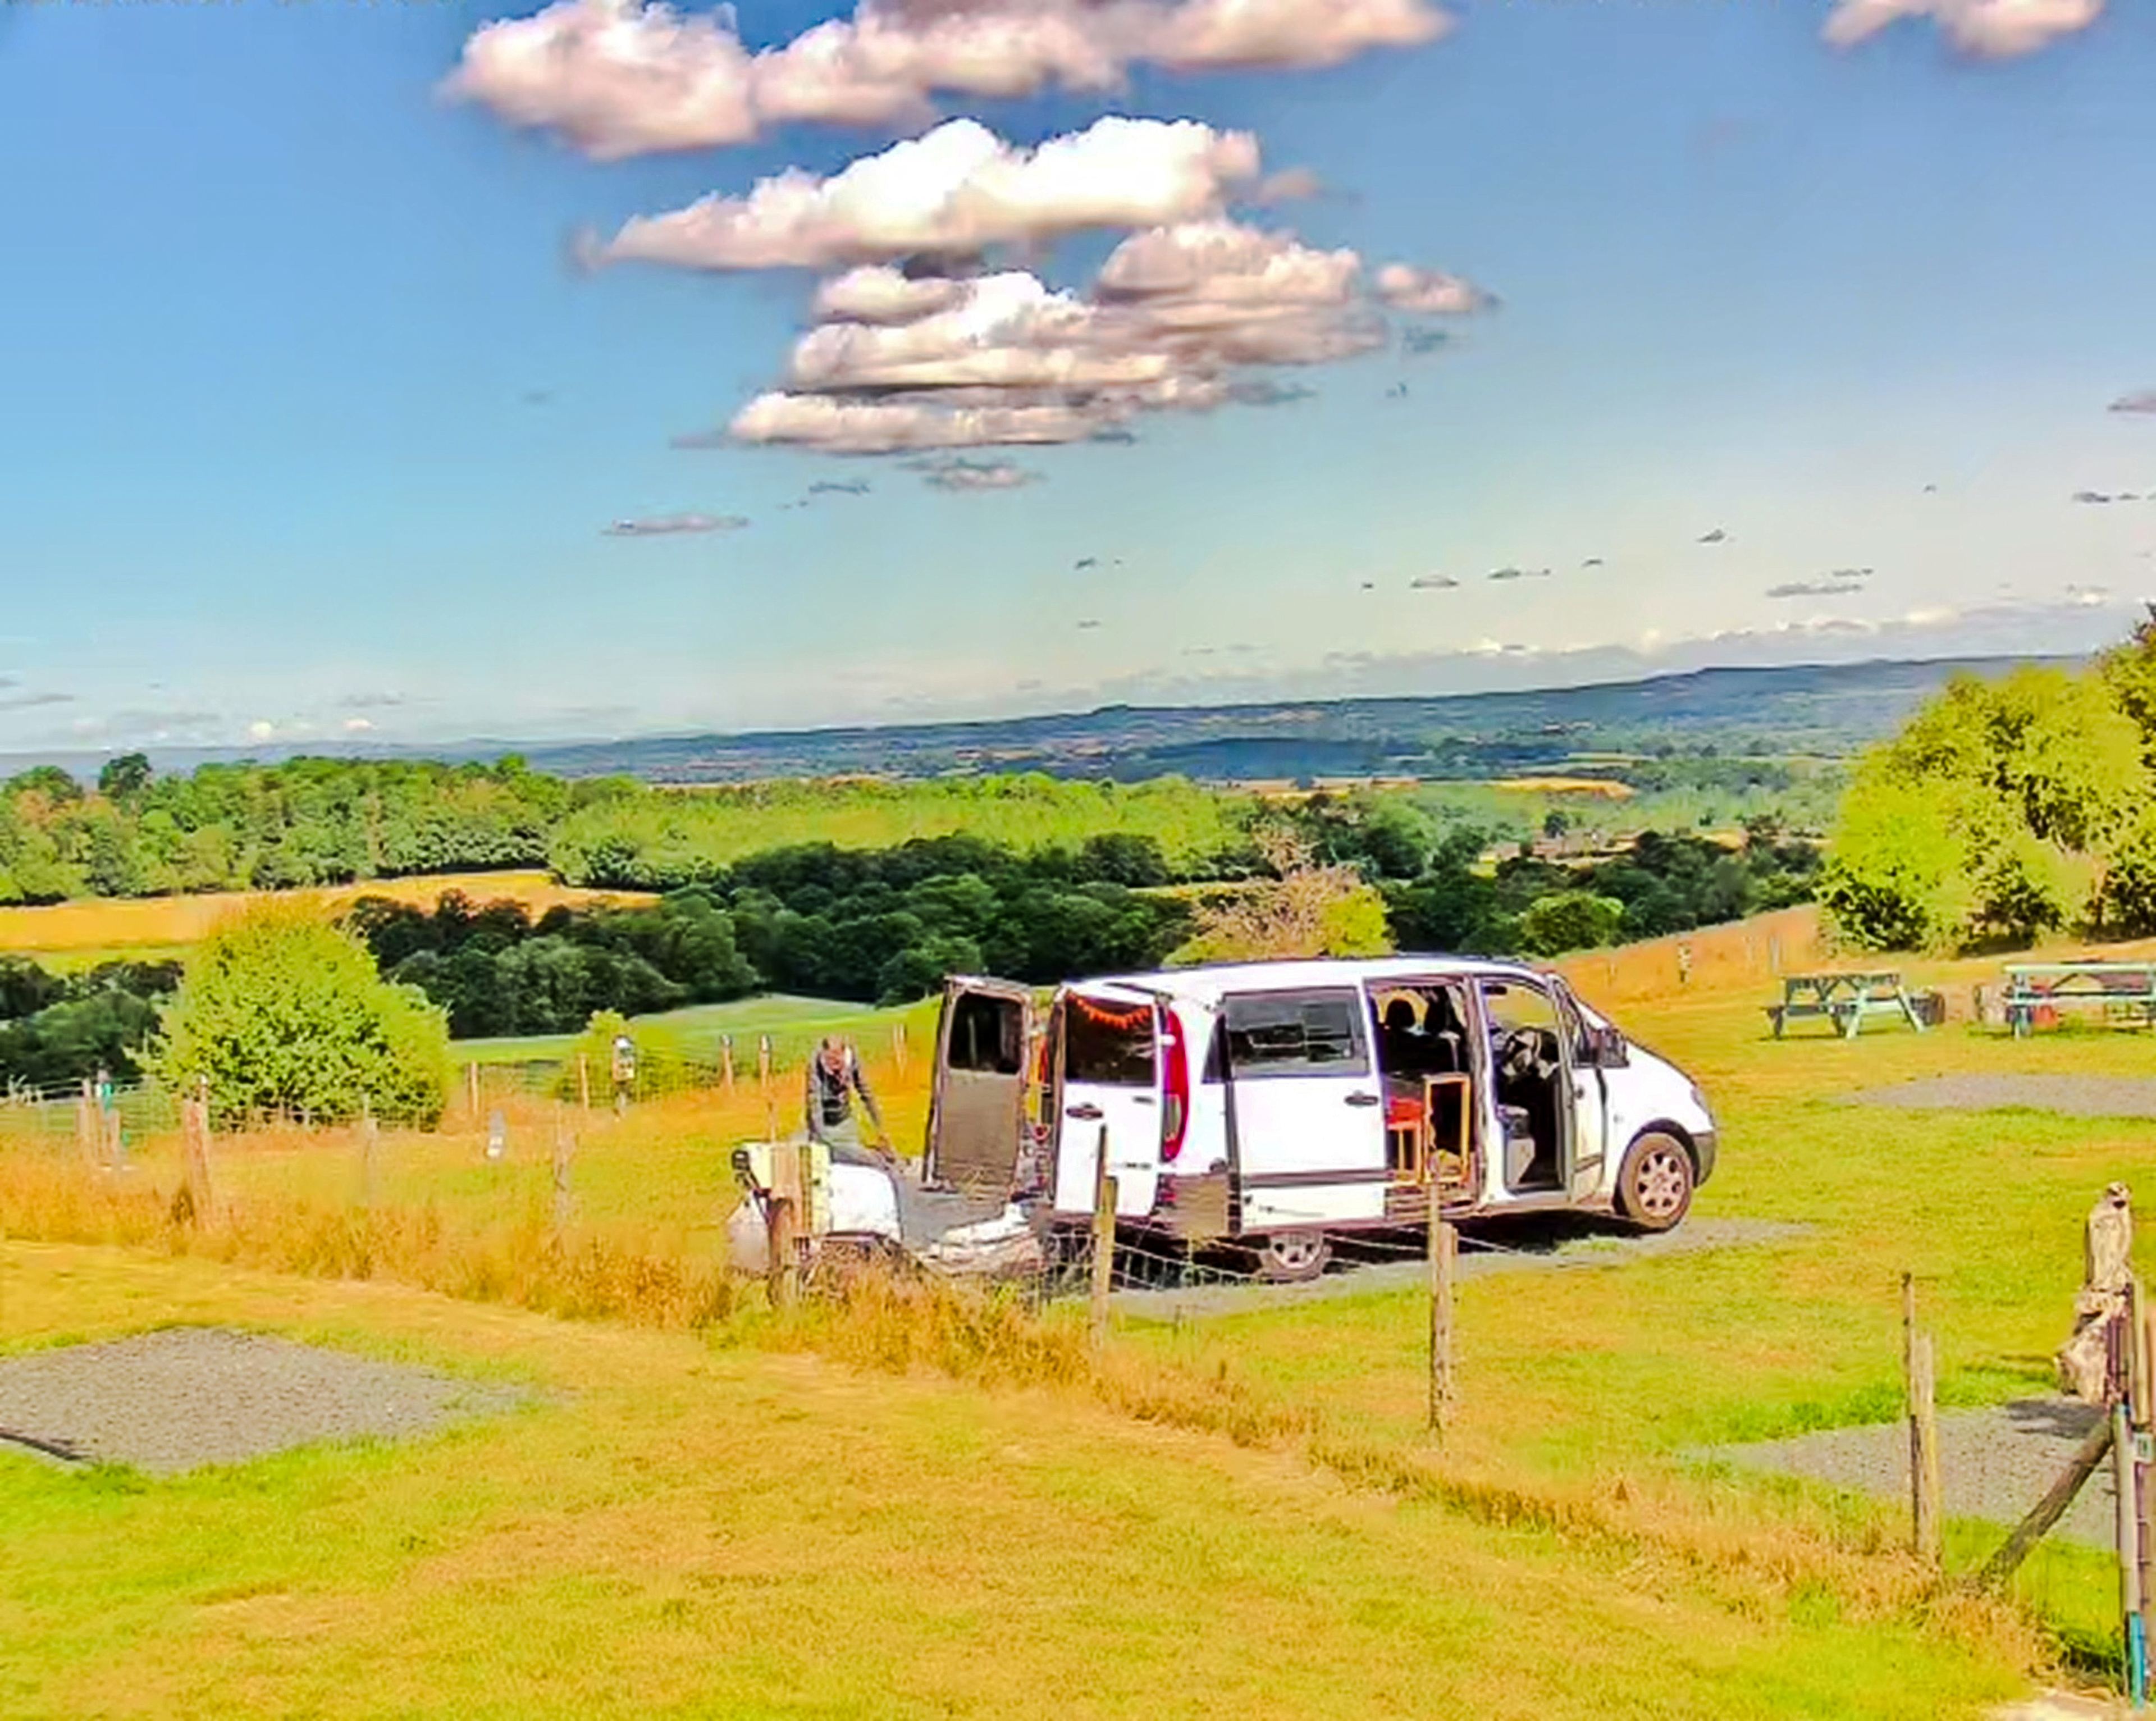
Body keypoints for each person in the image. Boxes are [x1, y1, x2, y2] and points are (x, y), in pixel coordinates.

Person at [805, 1036, 893, 1165]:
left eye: (837, 1061)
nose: (834, 1066)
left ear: (843, 1053)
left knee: (853, 1159)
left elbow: (865, 1091)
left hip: (844, 1119)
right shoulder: (815, 1065)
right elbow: (814, 1102)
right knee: (821, 1160)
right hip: (823, 1119)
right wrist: (820, 1137)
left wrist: (880, 1127)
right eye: (830, 1060)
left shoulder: (852, 1060)